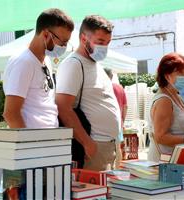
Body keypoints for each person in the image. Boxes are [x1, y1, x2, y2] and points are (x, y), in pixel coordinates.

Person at [56, 15, 121, 171]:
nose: (104, 47)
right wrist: (87, 143)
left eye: (108, 43)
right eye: (100, 42)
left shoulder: (95, 64)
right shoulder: (74, 64)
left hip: (107, 146)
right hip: (93, 147)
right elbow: (63, 108)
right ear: (84, 39)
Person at [3, 8, 74, 128]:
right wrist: (28, 144)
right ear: (46, 34)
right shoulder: (23, 62)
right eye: (62, 42)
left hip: (47, 139)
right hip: (34, 142)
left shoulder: (46, 60)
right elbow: (10, 113)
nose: (64, 47)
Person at [147, 52, 184, 162]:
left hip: (180, 160)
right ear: (167, 76)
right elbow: (160, 137)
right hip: (166, 163)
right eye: (182, 73)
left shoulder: (177, 96)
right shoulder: (164, 100)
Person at [104, 68, 128, 169]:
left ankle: (108, 169)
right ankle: (117, 169)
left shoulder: (103, 87)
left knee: (106, 148)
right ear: (112, 76)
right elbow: (125, 106)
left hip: (105, 122)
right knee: (118, 147)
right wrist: (122, 121)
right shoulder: (119, 88)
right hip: (118, 122)